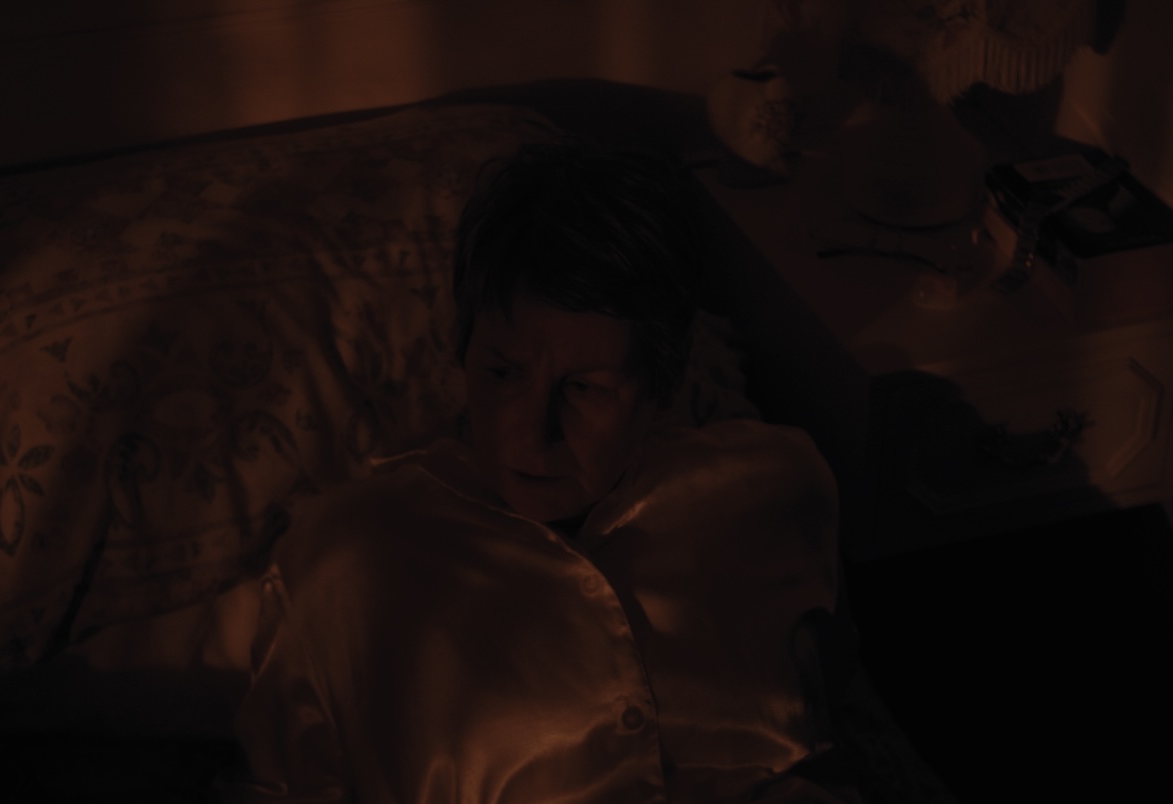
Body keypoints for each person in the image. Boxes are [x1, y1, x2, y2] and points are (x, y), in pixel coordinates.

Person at [224, 142, 854, 803]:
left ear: (662, 383)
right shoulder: (352, 557)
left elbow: (838, 720)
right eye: (502, 373)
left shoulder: (772, 487)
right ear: (462, 347)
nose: (532, 432)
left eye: (584, 389)